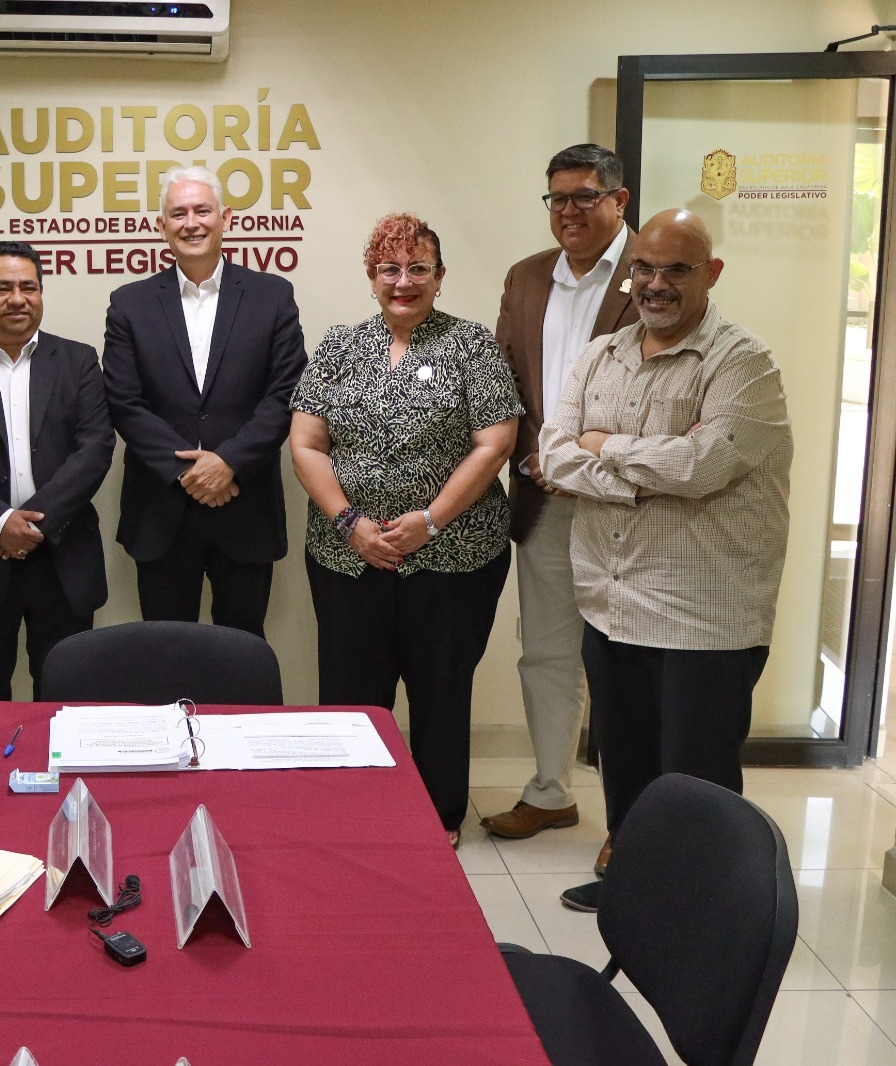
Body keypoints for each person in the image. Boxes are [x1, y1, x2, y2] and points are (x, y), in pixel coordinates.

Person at [539, 209, 791, 911]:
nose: (656, 284)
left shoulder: (742, 362)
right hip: (611, 602)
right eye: (644, 268)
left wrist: (603, 446)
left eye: (676, 269)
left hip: (702, 614)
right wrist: (648, 464)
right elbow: (553, 456)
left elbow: (705, 465)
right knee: (625, 761)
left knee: (695, 776)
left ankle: (700, 914)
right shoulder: (601, 355)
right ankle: (636, 888)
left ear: (711, 273)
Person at [289, 212, 522, 847]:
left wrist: (429, 521)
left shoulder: (471, 346)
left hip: (454, 558)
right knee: (351, 691)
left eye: (418, 268)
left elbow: (495, 443)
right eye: (389, 268)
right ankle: (353, 809)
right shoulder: (340, 346)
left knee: (440, 690)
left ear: (440, 277)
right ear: (371, 277)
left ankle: (438, 816)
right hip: (348, 556)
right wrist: (350, 523)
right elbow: (306, 443)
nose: (403, 281)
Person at [481, 145, 637, 853]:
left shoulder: (653, 271)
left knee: (626, 661)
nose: (568, 211)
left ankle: (635, 819)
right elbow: (504, 380)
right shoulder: (526, 277)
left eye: (584, 196)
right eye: (557, 199)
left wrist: (581, 455)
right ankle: (551, 791)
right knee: (546, 651)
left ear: (618, 201)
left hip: (627, 502)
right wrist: (529, 455)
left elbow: (664, 391)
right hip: (542, 494)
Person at [102, 165, 307, 637]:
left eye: (202, 210)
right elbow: (124, 401)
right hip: (161, 509)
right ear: (162, 226)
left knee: (243, 649)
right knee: (166, 651)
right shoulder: (129, 304)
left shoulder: (272, 296)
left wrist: (229, 462)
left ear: (225, 217)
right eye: (178, 213)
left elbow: (286, 391)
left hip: (245, 502)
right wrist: (189, 472)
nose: (190, 223)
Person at [0, 241, 113, 698]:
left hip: (62, 553)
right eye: (3, 288)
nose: (18, 299)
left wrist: (31, 526)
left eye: (29, 287)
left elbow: (95, 448)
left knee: (67, 696)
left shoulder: (79, 360)